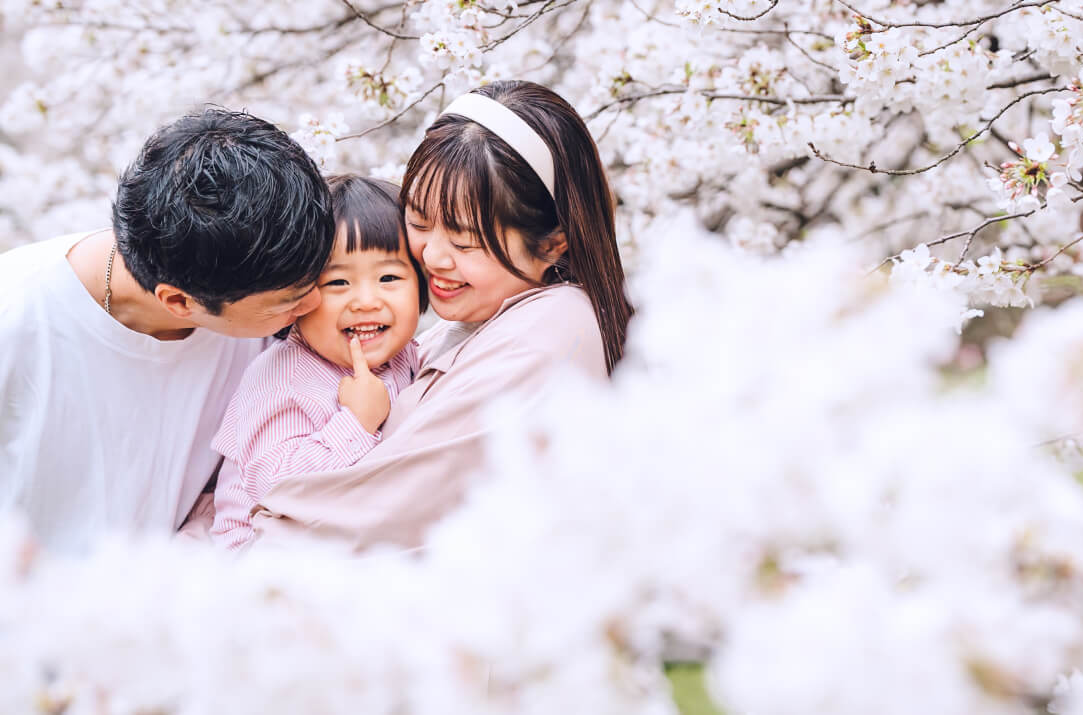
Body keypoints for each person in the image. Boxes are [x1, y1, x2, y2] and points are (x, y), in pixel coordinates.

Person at [250, 80, 631, 550]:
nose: (432, 256)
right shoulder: (485, 321)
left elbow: (355, 519)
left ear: (552, 244)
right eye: (418, 222)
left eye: (465, 241)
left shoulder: (546, 339)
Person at [0, 109, 334, 553]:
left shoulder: (259, 316)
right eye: (289, 301)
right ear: (179, 303)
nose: (316, 304)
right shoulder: (17, 315)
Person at [209, 175, 426, 549]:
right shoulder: (284, 377)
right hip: (262, 553)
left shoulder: (409, 355)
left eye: (389, 277)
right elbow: (276, 488)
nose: (366, 301)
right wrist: (356, 423)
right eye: (338, 283)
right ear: (297, 295)